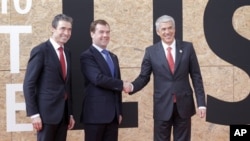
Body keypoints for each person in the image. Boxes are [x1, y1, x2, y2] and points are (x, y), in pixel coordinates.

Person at [124, 15, 206, 141]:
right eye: (163, 29)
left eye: (170, 28)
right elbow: (144, 77)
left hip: (184, 105)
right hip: (162, 106)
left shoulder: (188, 48)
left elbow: (196, 76)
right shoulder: (151, 52)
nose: (167, 32)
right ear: (158, 32)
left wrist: (201, 103)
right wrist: (132, 86)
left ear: (174, 29)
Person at [23, 14, 75, 141]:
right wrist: (34, 114)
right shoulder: (40, 51)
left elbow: (67, 85)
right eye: (62, 28)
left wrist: (70, 113)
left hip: (63, 115)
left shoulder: (67, 52)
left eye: (69, 30)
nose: (66, 33)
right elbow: (28, 84)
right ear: (53, 28)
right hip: (45, 116)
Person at [80, 19, 129, 141]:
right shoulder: (87, 56)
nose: (105, 35)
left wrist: (119, 111)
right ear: (92, 34)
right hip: (95, 116)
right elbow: (97, 79)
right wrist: (123, 84)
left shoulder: (113, 57)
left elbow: (116, 88)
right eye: (101, 32)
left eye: (107, 32)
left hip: (113, 117)